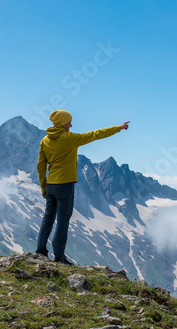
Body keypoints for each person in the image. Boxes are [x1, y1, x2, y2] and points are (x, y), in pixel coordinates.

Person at [35, 110, 129, 265]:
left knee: (48, 218)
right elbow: (96, 134)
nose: (71, 125)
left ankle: (40, 251)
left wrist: (44, 187)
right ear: (63, 122)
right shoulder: (69, 138)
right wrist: (118, 127)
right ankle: (59, 256)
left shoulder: (45, 140)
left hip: (51, 185)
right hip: (64, 185)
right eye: (69, 122)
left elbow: (40, 166)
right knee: (63, 219)